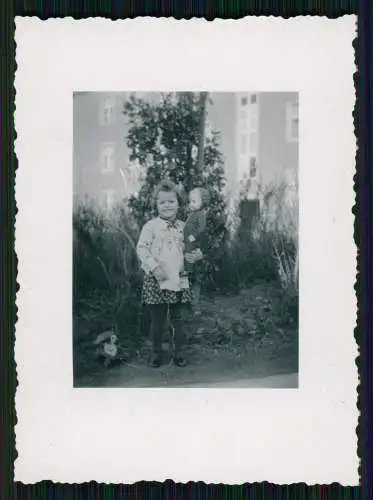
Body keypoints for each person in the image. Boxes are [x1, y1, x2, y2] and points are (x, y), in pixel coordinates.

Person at [136, 179, 202, 368]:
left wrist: (195, 255)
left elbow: (191, 247)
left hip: (178, 277)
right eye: (162, 202)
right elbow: (142, 249)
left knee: (177, 318)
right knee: (157, 320)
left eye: (171, 201)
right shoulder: (150, 227)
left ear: (179, 203)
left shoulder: (184, 227)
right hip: (157, 277)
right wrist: (154, 268)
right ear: (156, 205)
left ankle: (179, 352)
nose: (167, 206)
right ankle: (156, 353)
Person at [182, 187, 209, 301]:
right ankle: (187, 298)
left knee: (192, 270)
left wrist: (195, 236)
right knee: (186, 270)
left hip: (193, 245)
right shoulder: (192, 214)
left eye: (194, 201)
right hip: (187, 245)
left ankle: (193, 299)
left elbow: (202, 228)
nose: (191, 204)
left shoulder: (200, 214)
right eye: (190, 201)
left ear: (202, 202)